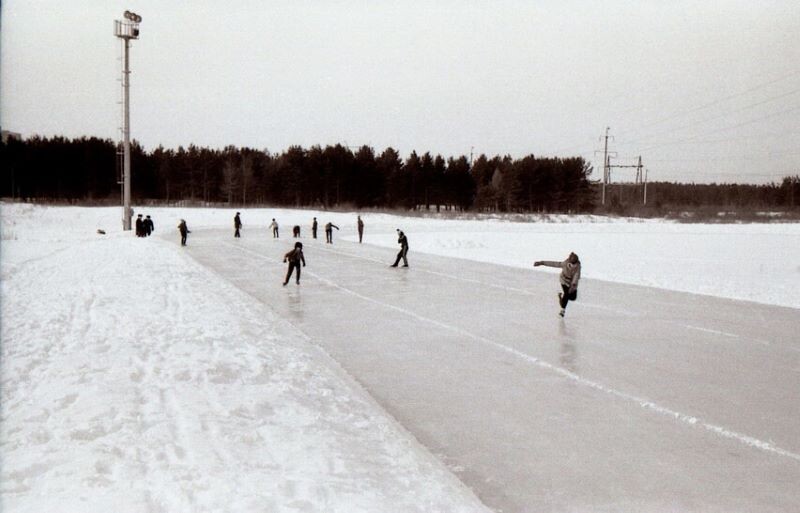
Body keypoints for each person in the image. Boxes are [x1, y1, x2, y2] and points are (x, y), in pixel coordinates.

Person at [534, 252, 582, 317]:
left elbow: (576, 276)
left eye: (574, 263)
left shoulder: (578, 267)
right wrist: (542, 263)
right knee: (567, 294)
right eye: (571, 262)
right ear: (569, 260)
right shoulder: (565, 263)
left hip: (572, 283)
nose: (572, 265)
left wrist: (573, 285)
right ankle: (562, 311)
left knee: (573, 298)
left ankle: (560, 296)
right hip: (564, 281)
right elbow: (554, 264)